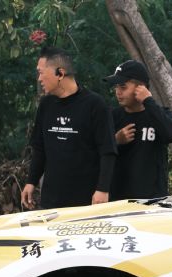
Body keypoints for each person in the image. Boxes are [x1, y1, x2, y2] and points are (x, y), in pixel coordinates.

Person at [22, 47, 116, 209]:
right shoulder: (46, 105)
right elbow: (40, 149)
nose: (39, 79)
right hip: (51, 201)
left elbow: (108, 151)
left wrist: (103, 189)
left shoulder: (95, 104)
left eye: (41, 73)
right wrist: (31, 182)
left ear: (60, 73)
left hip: (87, 201)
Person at [104, 59, 172, 200]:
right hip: (118, 200)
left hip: (152, 200)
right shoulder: (112, 117)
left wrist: (148, 101)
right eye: (116, 87)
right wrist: (115, 140)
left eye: (123, 87)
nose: (118, 92)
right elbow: (93, 152)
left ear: (141, 88)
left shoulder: (159, 114)